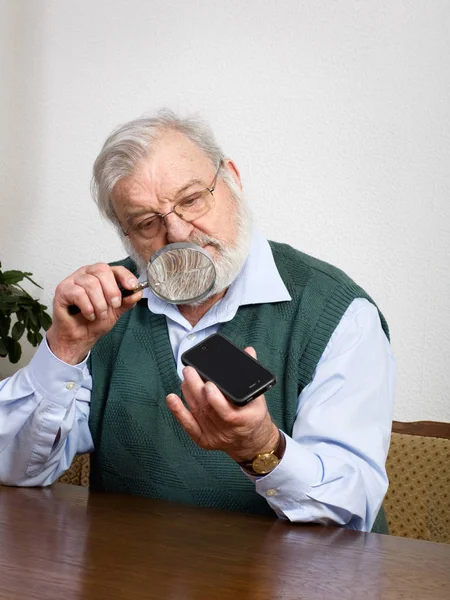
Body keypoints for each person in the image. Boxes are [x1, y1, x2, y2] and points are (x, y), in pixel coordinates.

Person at [0, 110, 395, 532]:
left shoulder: (338, 313)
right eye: (147, 223)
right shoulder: (107, 308)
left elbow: (351, 514)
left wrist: (261, 448)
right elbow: (13, 469)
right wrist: (64, 350)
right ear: (126, 234)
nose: (179, 232)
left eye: (191, 200)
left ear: (232, 180)